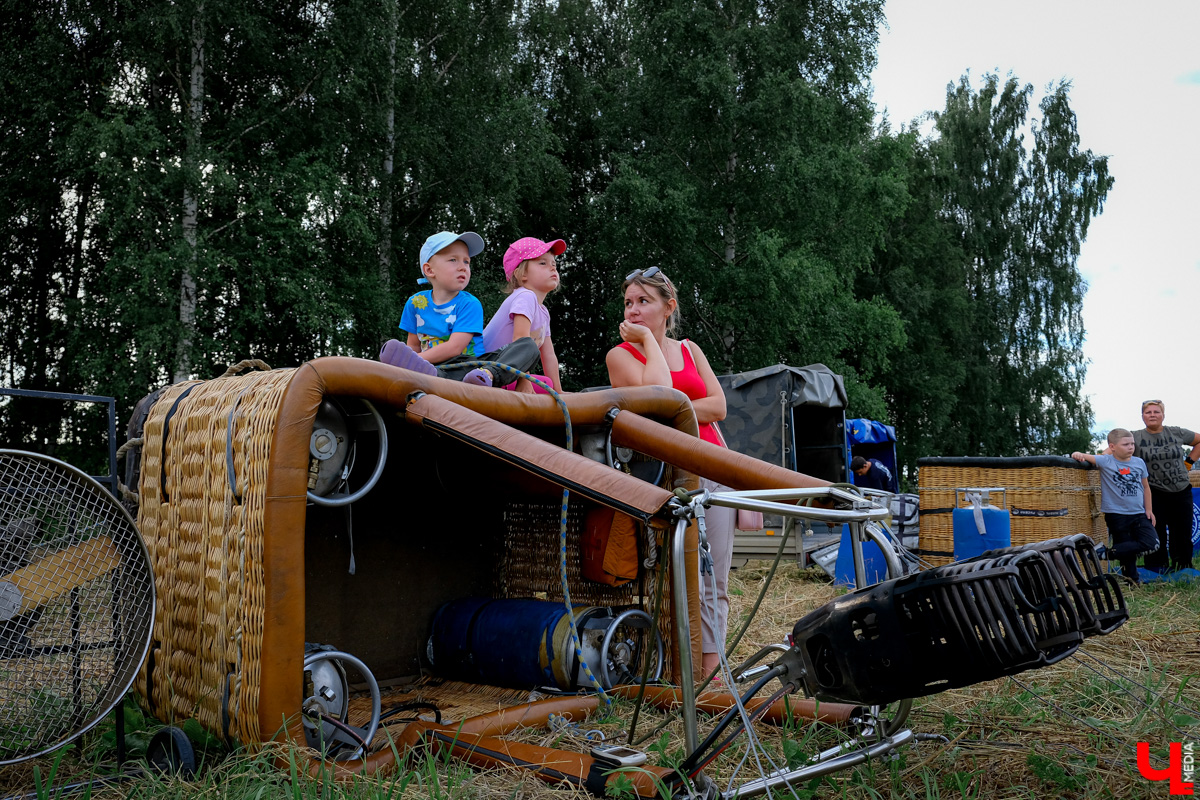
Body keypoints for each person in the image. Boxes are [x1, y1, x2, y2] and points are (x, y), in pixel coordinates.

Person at [605, 266, 730, 678]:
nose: (634, 310)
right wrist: (645, 342)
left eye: (644, 301)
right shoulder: (621, 355)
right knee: (679, 572)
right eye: (628, 303)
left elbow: (720, 405)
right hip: (663, 475)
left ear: (668, 306)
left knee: (717, 575)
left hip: (711, 464)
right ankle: (679, 666)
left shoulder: (691, 350)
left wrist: (677, 412)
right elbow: (655, 400)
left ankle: (712, 669)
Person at [379, 230, 538, 386]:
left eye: (466, 261)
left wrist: (414, 360)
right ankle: (430, 374)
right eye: (453, 260)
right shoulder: (415, 303)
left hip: (468, 367)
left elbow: (455, 347)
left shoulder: (469, 304)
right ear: (429, 270)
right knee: (395, 347)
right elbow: (413, 345)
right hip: (432, 367)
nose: (463, 267)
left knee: (527, 345)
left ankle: (488, 375)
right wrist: (410, 361)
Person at [1072, 429, 1159, 584]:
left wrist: (1149, 509)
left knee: (1152, 543)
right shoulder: (1106, 461)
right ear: (1112, 447)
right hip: (1116, 515)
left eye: (1132, 443)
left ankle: (1104, 553)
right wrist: (1077, 454)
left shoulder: (1139, 463)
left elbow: (1146, 487)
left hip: (1139, 513)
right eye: (1125, 444)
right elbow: (1084, 456)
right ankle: (1132, 581)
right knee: (1126, 550)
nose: (1131, 447)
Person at [481, 236, 564, 392]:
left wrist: (559, 392)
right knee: (546, 385)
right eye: (543, 263)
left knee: (549, 386)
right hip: (489, 369)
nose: (553, 268)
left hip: (506, 372)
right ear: (521, 274)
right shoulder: (525, 296)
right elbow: (520, 341)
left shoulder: (543, 312)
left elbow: (549, 356)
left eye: (554, 264)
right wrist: (524, 381)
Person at [1131, 400, 1200, 573]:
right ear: (1142, 416)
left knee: (1182, 532)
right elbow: (1114, 449)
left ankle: (1182, 567)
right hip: (1153, 491)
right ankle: (1156, 567)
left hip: (1181, 490)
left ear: (1163, 415)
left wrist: (1189, 462)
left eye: (1156, 412)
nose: (1152, 415)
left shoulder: (1176, 432)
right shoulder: (1135, 436)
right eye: (1148, 412)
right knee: (1155, 530)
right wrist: (1092, 458)